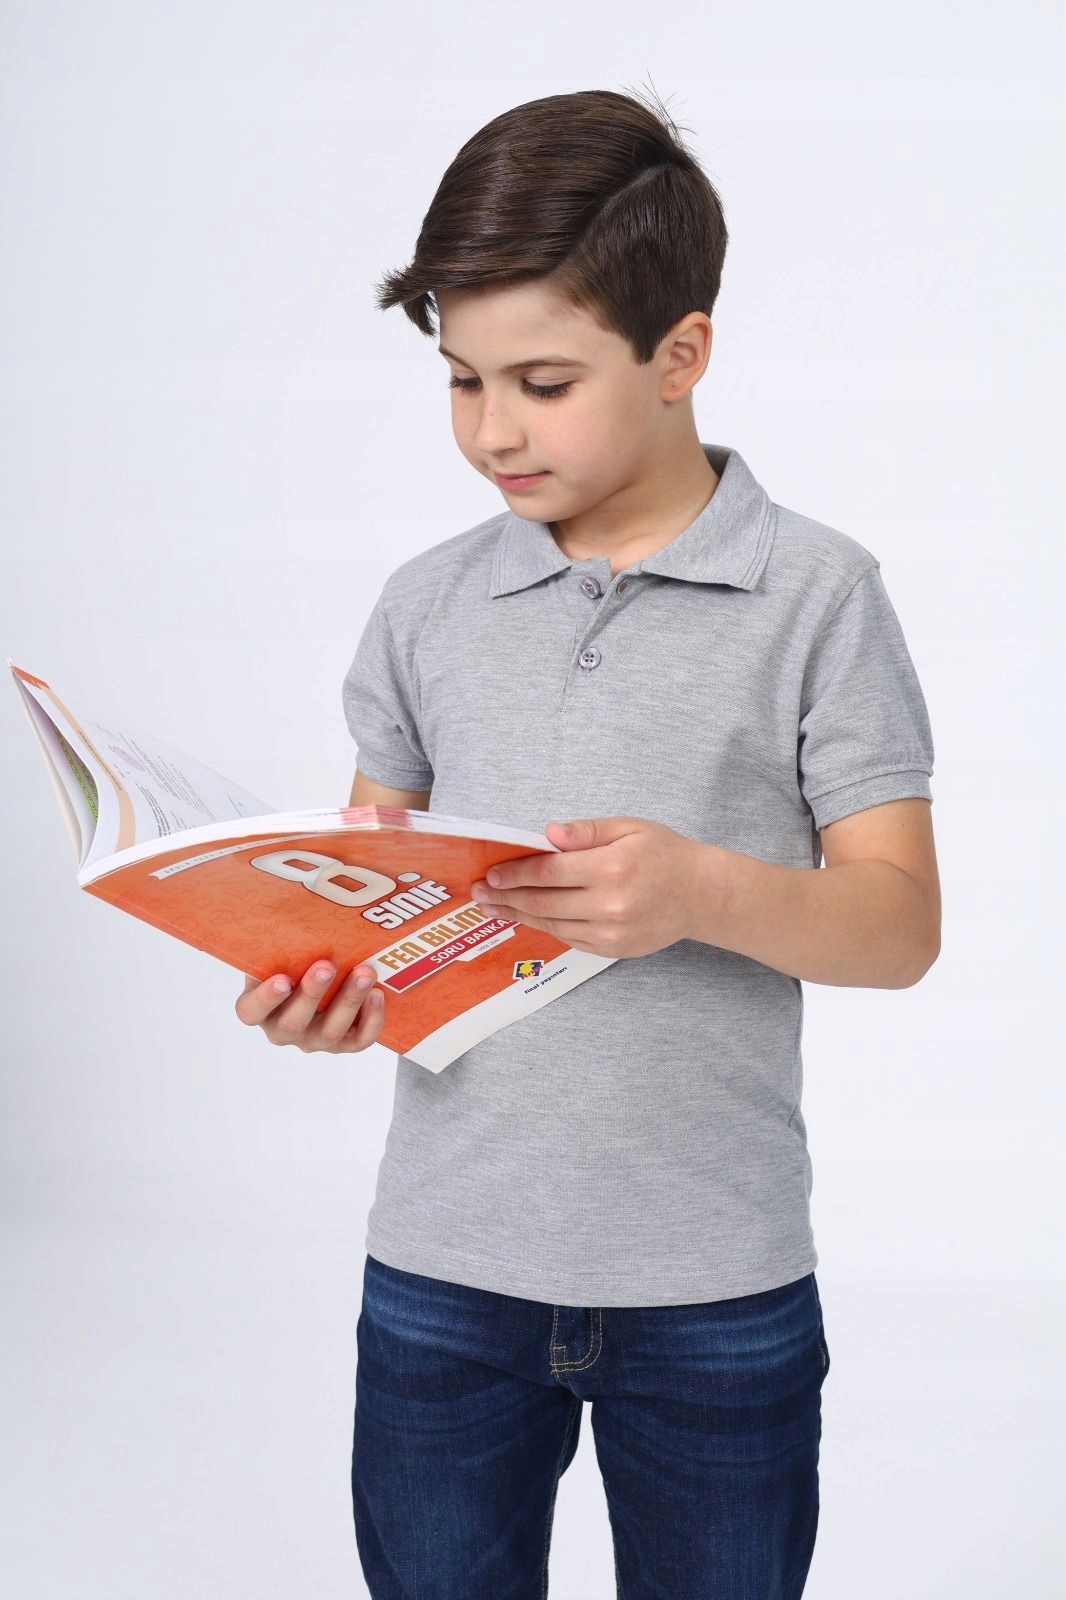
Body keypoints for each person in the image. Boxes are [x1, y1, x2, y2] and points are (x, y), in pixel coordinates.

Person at [235, 85, 940, 1600]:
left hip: (717, 1282)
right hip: (442, 1272)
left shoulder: (820, 596)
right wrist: (323, 990)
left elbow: (898, 929)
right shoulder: (424, 605)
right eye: (460, 381)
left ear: (680, 355)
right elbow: (372, 894)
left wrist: (699, 888)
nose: (492, 429)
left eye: (543, 382)